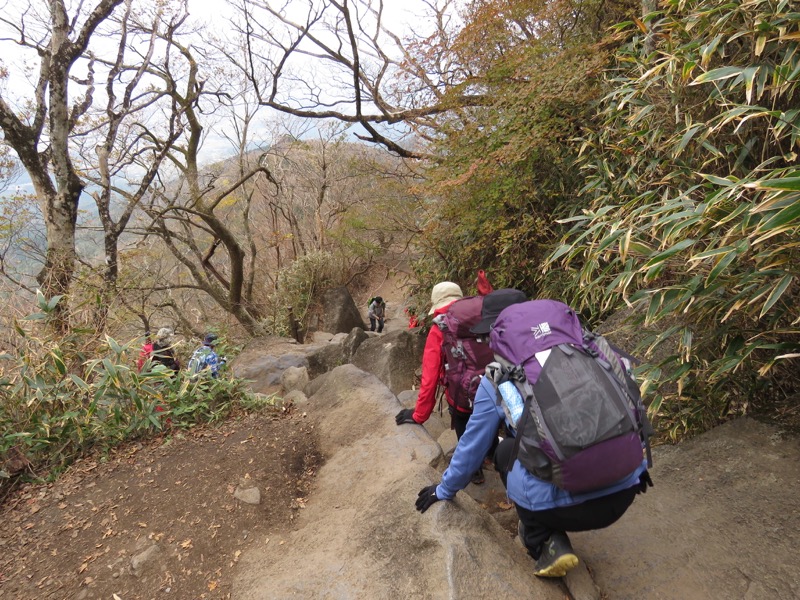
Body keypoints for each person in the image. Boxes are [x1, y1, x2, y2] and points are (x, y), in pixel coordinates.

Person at [414, 332, 652, 578]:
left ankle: (545, 541)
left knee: (506, 450)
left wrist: (443, 489)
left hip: (569, 510)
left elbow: (472, 446)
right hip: (626, 492)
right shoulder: (585, 353)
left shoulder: (498, 377)